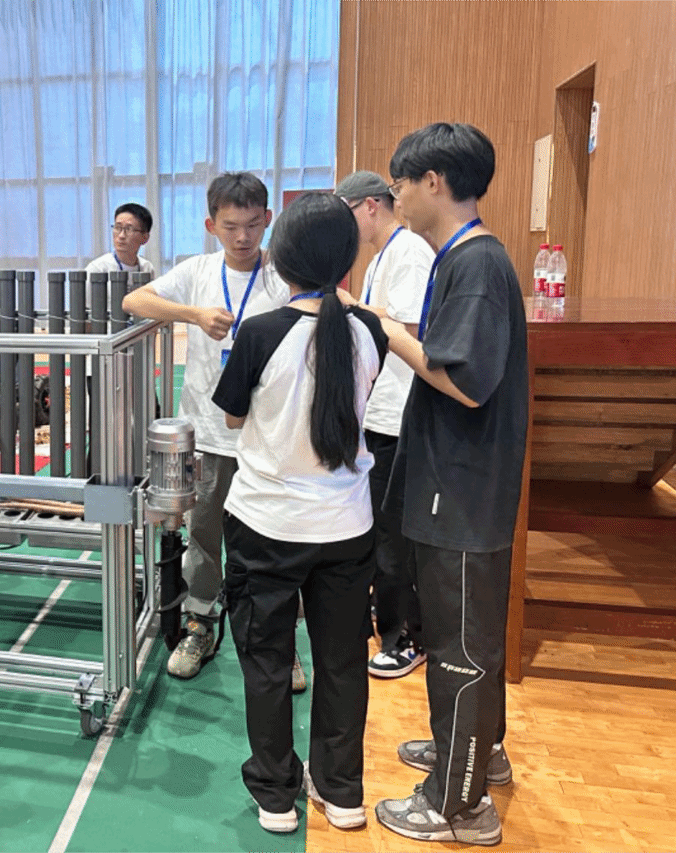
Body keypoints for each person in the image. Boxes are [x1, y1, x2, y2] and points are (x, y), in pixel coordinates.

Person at [366, 123, 527, 847]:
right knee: (470, 636)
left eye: (400, 183)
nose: (394, 196)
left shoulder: (478, 264)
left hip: (463, 489)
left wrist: (388, 331)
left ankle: (459, 807)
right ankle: (477, 754)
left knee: (461, 646)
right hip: (457, 482)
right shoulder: (461, 258)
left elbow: (464, 381)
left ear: (434, 182)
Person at [213, 192, 385, 834]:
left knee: (266, 661)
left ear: (280, 258)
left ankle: (276, 796)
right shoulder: (369, 330)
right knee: (342, 662)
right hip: (346, 526)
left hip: (267, 524)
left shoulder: (261, 332)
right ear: (347, 259)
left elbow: (233, 417)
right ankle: (342, 793)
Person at [122, 172, 298, 688]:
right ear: (210, 225)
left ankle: (278, 643)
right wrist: (192, 315)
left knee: (272, 541)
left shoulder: (283, 275)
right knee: (203, 534)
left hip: (269, 438)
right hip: (209, 435)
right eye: (230, 226)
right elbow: (135, 302)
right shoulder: (197, 272)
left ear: (268, 219)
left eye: (253, 225)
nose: (243, 237)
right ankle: (200, 623)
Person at [335, 170, 434, 679]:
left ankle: (406, 638)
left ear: (370, 206)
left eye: (347, 214)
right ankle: (387, 619)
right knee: (378, 530)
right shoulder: (379, 258)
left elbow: (410, 328)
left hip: (400, 414)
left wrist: (350, 305)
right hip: (378, 412)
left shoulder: (410, 252)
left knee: (395, 538)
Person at [85, 203, 156, 278]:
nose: (121, 235)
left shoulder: (147, 268)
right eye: (118, 227)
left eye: (129, 229)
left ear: (145, 238)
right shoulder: (98, 269)